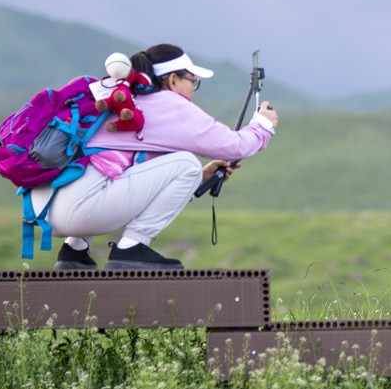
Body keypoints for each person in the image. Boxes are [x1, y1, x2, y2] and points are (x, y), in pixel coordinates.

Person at [42, 43, 277, 269]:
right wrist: (263, 125)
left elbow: (133, 170)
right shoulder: (168, 105)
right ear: (173, 80)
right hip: (83, 209)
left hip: (46, 208)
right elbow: (234, 146)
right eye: (192, 81)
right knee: (187, 164)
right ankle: (131, 248)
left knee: (106, 166)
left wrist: (200, 177)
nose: (192, 90)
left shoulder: (117, 98)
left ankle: (74, 252)